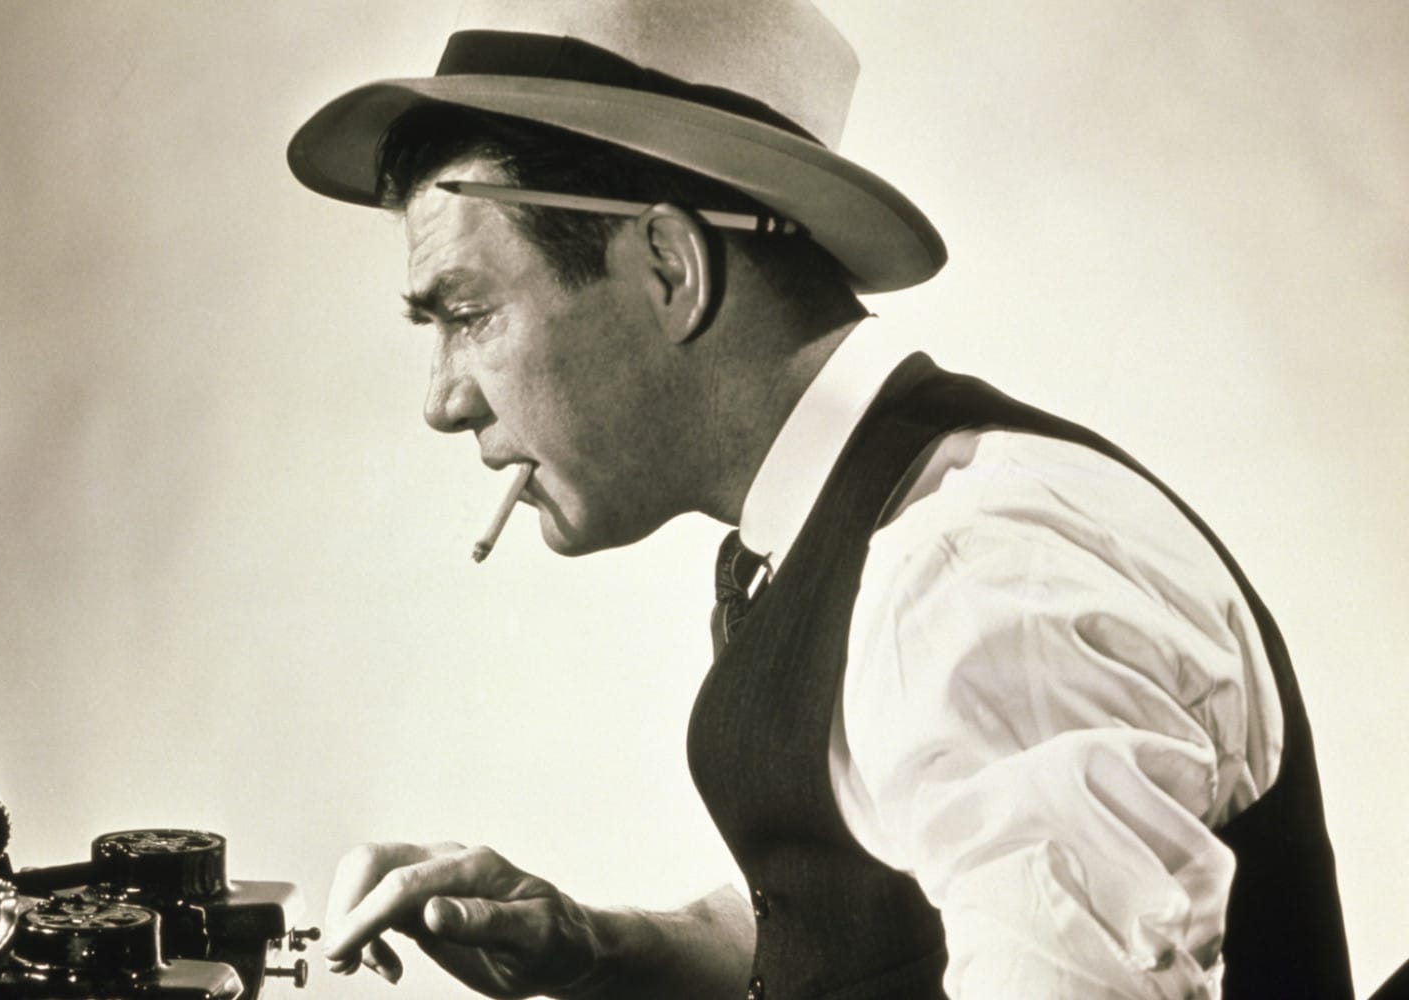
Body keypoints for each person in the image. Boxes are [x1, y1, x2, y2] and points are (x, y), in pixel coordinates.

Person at [284, 1, 1352, 997]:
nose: (442, 400)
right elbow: (889, 917)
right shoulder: (843, 530)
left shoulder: (969, 569)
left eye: (465, 312)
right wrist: (596, 944)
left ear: (668, 266)